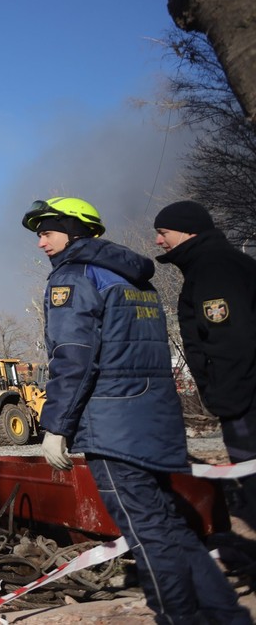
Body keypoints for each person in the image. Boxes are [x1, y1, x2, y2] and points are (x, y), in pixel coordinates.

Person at [23, 196, 249, 625]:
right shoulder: (134, 277)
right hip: (154, 418)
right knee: (170, 526)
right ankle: (226, 615)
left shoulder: (73, 277)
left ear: (72, 230)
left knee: (148, 535)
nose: (40, 243)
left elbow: (74, 356)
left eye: (46, 232)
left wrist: (55, 426)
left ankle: (179, 618)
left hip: (112, 425)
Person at [153, 200, 256, 527]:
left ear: (187, 230)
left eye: (163, 232)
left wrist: (227, 400)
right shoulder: (219, 263)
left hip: (245, 402)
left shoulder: (213, 269)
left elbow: (229, 341)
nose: (158, 241)